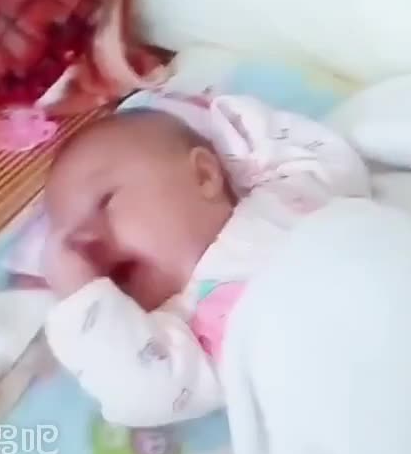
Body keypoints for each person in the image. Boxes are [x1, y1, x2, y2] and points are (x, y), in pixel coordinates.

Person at [43, 95, 370, 427]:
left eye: (105, 202)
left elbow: (330, 161)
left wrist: (231, 131)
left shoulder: (281, 200)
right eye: (77, 246)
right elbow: (141, 392)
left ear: (203, 175)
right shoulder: (183, 335)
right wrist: (82, 298)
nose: (91, 242)